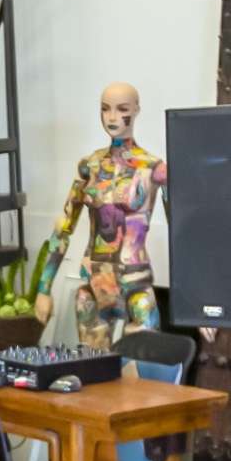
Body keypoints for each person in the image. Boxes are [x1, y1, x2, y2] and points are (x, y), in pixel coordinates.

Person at [29, 82, 165, 352]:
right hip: (95, 287)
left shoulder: (154, 169)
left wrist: (201, 304)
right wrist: (44, 290)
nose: (112, 117)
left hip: (134, 285)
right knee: (95, 376)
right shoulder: (89, 166)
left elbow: (182, 232)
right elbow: (63, 228)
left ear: (136, 110)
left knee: (144, 382)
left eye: (121, 109)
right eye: (105, 109)